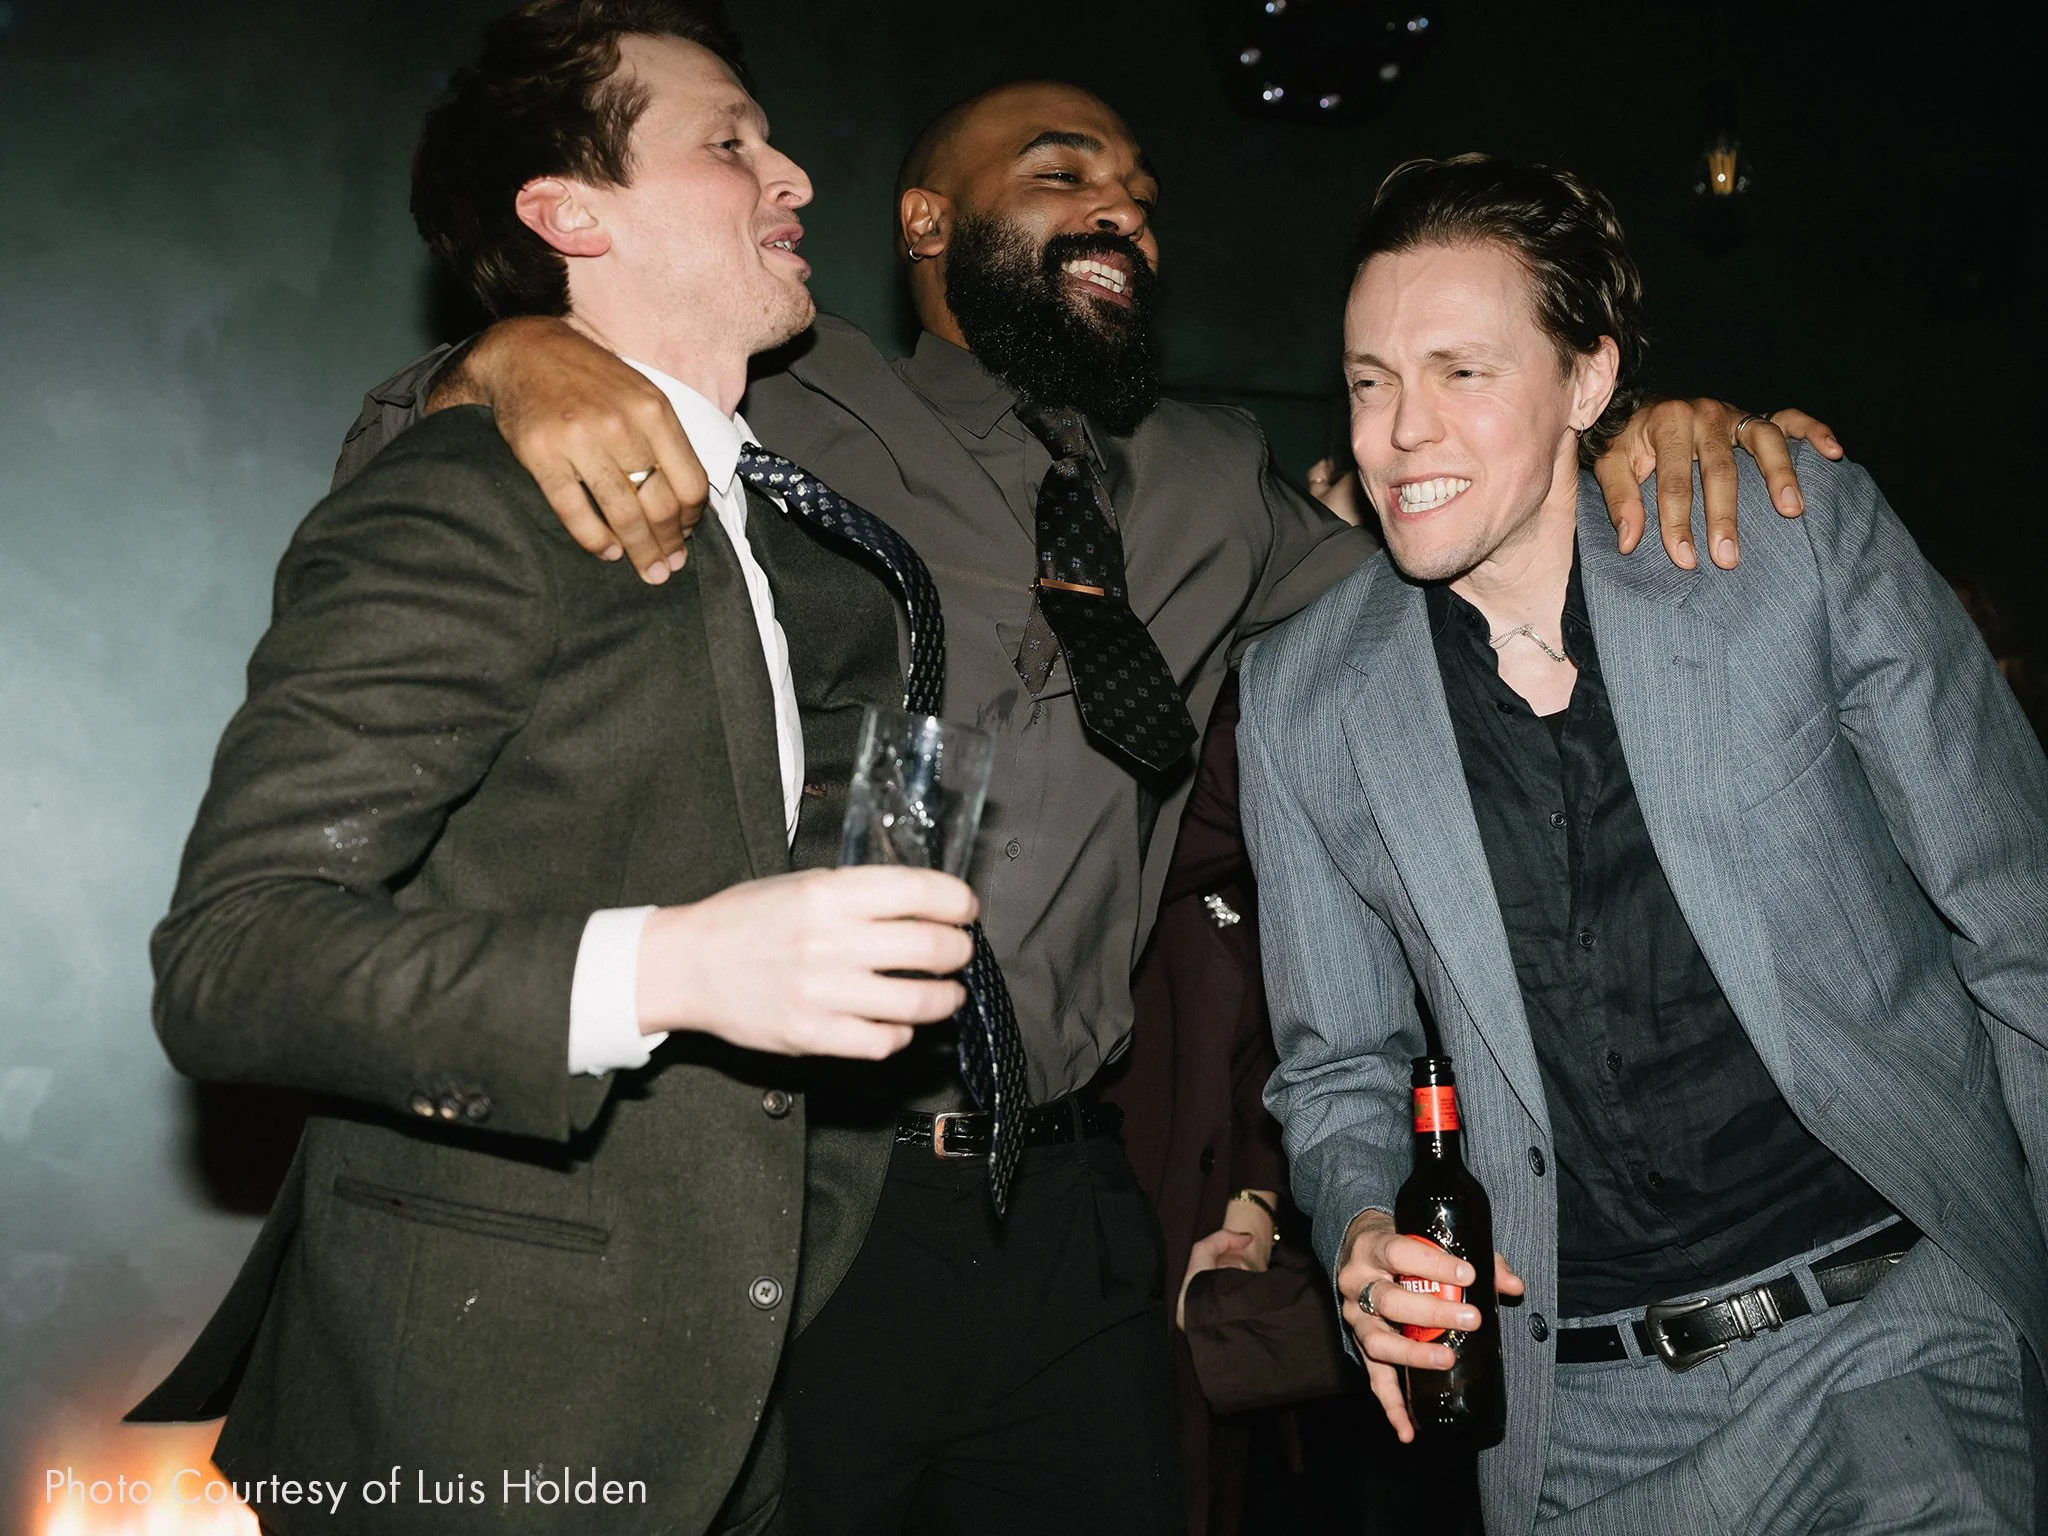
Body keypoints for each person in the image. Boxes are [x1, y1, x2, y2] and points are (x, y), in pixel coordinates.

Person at [337, 83, 1842, 1531]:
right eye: (1064, 172)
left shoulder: (1212, 476)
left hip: (1060, 1197)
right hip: (797, 1197)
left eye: (1139, 191)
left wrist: (1635, 438)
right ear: (927, 220)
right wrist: (508, 359)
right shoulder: (777, 406)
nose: (1122, 205)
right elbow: (420, 477)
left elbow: (1460, 575)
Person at [126, 6, 979, 1533]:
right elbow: (231, 961)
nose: (791, 172)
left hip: (738, 1417)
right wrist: (668, 967)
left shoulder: (815, 564)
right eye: (730, 140)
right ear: (568, 212)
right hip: (463, 1435)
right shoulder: (464, 495)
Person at [1239, 153, 2048, 1535]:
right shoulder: (1303, 695)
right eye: (1371, 381)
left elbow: (2018, 924)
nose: (1399, 434)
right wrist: (1365, 1227)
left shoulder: (1788, 540)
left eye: (1462, 374)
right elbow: (1336, 1071)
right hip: (1581, 1439)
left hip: (1891, 1350)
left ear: (1590, 384)